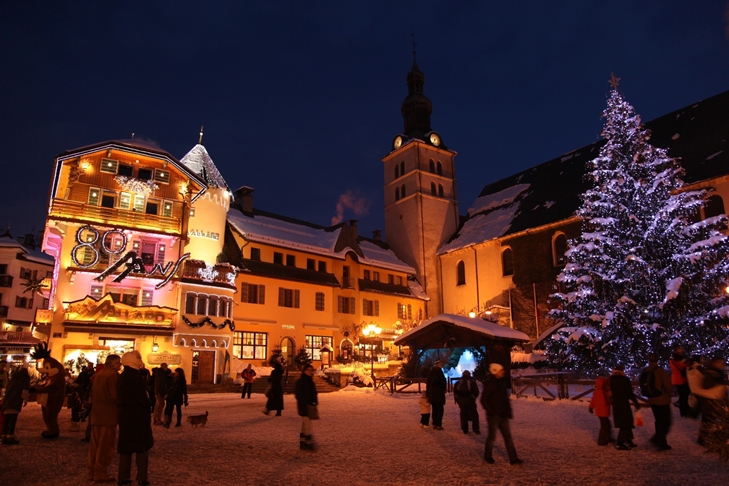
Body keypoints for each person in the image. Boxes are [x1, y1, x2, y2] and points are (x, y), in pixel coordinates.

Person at [117, 351, 153, 486]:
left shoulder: (122, 376)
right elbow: (141, 397)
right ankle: (141, 477)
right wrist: (147, 402)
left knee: (126, 447)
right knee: (141, 448)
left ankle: (123, 476)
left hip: (125, 416)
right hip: (137, 416)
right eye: (138, 358)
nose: (140, 360)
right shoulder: (135, 377)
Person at [86, 354, 121, 483]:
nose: (120, 366)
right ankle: (100, 472)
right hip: (108, 414)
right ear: (114, 363)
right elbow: (114, 395)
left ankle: (91, 471)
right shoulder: (113, 376)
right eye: (119, 363)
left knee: (95, 444)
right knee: (105, 446)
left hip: (97, 414)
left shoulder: (100, 374)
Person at [481, 363, 521, 465]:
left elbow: (505, 400)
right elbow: (483, 400)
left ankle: (514, 459)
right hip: (494, 416)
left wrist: (508, 412)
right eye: (501, 370)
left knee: (508, 437)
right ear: (495, 371)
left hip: (503, 415)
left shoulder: (502, 383)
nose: (503, 372)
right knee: (492, 437)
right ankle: (488, 456)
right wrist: (491, 411)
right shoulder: (490, 384)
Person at [641, 353, 673, 451]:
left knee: (659, 421)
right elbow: (667, 384)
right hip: (662, 399)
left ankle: (662, 443)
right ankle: (657, 439)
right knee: (666, 421)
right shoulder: (660, 371)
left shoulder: (645, 371)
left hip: (652, 399)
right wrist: (669, 394)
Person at [698, 356, 729, 446]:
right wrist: (720, 384)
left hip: (717, 402)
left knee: (715, 421)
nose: (722, 365)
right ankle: (702, 439)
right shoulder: (710, 373)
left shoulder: (717, 372)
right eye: (720, 362)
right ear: (714, 363)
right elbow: (707, 386)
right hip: (710, 402)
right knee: (708, 421)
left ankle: (711, 438)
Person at [609, 364, 640, 450]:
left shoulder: (611, 379)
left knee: (626, 423)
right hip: (624, 404)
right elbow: (629, 393)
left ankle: (628, 440)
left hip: (616, 404)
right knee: (626, 423)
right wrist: (636, 403)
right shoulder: (624, 380)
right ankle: (620, 442)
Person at [1, 367, 30, 445]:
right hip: (15, 401)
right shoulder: (24, 379)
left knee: (6, 420)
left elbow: (7, 389)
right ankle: (10, 436)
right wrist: (25, 400)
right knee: (12, 420)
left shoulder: (13, 378)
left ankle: (4, 436)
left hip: (7, 401)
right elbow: (24, 390)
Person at [295, 364, 318, 450]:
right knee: (307, 424)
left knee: (305, 424)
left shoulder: (310, 381)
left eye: (311, 370)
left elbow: (314, 393)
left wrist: (314, 401)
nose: (310, 371)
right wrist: (304, 401)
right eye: (308, 370)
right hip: (304, 406)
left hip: (310, 406)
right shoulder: (301, 382)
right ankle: (307, 441)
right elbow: (298, 394)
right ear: (304, 371)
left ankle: (303, 441)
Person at [588, 375, 613, 445]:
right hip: (604, 410)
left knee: (606, 425)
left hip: (599, 411)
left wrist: (591, 407)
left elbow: (593, 400)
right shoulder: (605, 392)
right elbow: (609, 400)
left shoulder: (596, 392)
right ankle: (601, 441)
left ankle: (608, 437)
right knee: (605, 426)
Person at [454, 370, 480, 434]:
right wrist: (473, 397)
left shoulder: (459, 382)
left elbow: (455, 391)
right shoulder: (471, 381)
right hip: (470, 400)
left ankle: (465, 429)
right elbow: (476, 391)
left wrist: (457, 399)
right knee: (474, 414)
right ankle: (475, 429)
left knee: (463, 414)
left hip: (461, 400)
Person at [669, 346, 690, 417]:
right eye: (680, 348)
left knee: (683, 395)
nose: (682, 349)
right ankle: (684, 411)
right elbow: (684, 365)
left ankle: (684, 410)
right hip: (680, 379)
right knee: (684, 396)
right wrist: (689, 362)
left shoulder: (673, 358)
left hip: (677, 379)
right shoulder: (678, 358)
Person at [426, 360, 447, 430]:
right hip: (439, 394)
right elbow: (443, 382)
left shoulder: (430, 373)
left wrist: (428, 394)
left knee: (434, 409)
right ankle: (438, 424)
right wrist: (444, 388)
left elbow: (428, 384)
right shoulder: (440, 372)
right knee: (440, 409)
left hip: (432, 394)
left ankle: (434, 423)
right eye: (440, 364)